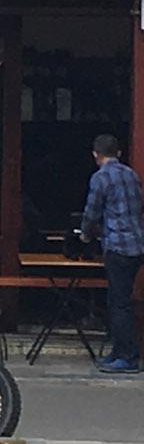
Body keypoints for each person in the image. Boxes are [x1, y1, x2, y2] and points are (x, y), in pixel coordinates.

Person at [80, 134, 144, 375]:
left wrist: (85, 235)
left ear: (96, 155)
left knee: (119, 304)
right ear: (118, 153)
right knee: (121, 300)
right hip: (138, 244)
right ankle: (119, 352)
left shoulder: (100, 178)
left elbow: (92, 211)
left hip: (117, 246)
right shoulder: (131, 175)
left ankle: (127, 357)